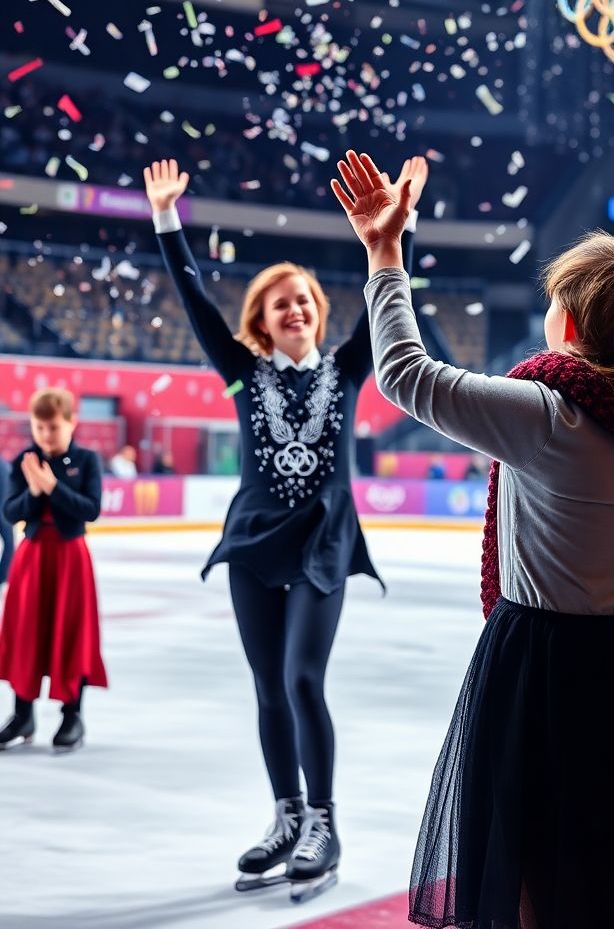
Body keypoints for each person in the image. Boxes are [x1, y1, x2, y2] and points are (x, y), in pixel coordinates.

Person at [332, 151, 614, 929]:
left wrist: (385, 254)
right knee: (610, 868)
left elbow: (406, 375)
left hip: (541, 664)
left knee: (523, 871)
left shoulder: (549, 414)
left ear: (573, 322)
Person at [143, 156, 426, 902]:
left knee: (304, 678)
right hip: (254, 544)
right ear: (262, 322)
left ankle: (324, 822)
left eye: (303, 300)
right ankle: (286, 814)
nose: (294, 310)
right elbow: (196, 299)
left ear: (317, 311)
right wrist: (168, 219)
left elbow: (385, 304)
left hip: (324, 543)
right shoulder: (241, 373)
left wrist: (394, 236)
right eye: (279, 305)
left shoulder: (349, 369)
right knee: (268, 686)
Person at [0, 388, 107, 752]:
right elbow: (11, 512)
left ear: (71, 424)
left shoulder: (87, 460)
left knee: (71, 631)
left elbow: (90, 509)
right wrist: (33, 491)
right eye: (39, 427)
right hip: (32, 558)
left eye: (53, 428)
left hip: (70, 558)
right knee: (26, 633)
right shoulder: (23, 461)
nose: (46, 435)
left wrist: (52, 487)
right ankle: (22, 714)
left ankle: (72, 715)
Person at [0, 455, 12, 587]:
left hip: (3, 512)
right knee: (9, 544)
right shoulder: (4, 466)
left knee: (9, 544)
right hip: (4, 512)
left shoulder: (3, 467)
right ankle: (3, 575)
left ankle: (3, 575)